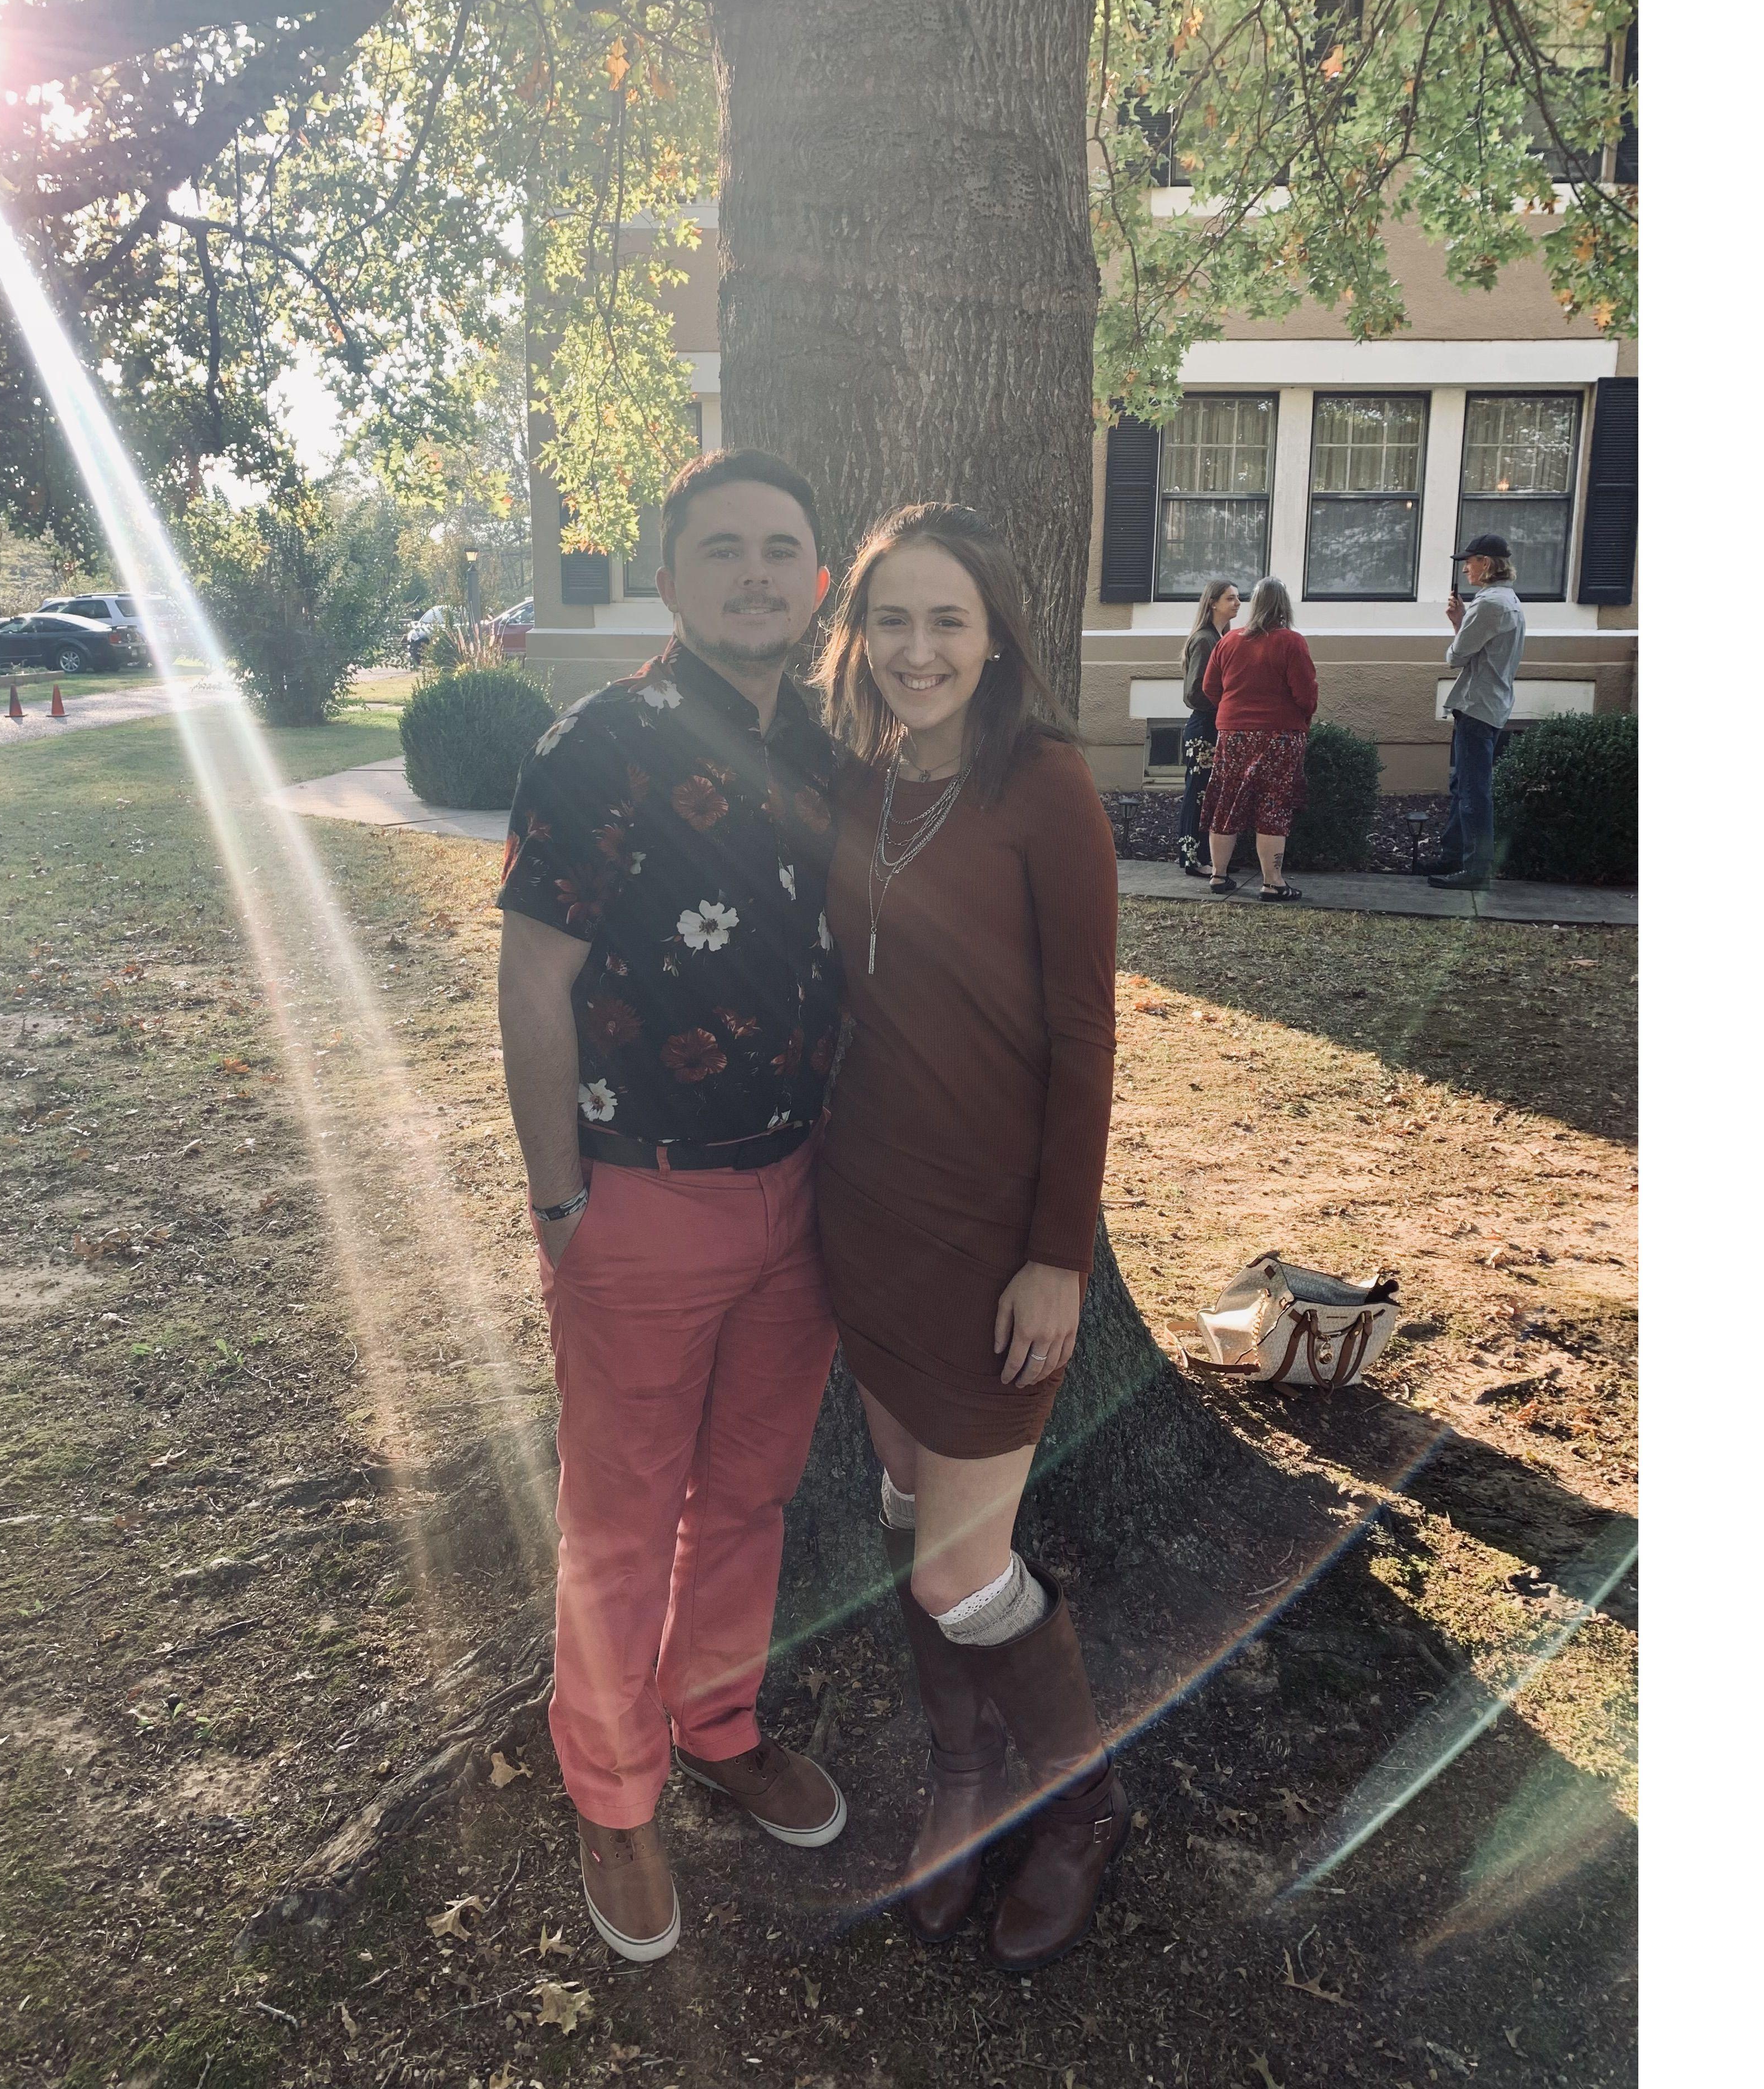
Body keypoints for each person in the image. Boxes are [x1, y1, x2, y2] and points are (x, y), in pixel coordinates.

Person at [494, 449, 850, 1967]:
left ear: (818, 581)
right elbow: (532, 981)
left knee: (752, 1494)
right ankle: (613, 1792)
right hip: (638, 1197)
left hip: (805, 1198)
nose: (756, 574)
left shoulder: (834, 750)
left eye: (781, 549)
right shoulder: (595, 747)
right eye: (723, 550)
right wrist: (558, 1203)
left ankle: (716, 1724)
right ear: (669, 580)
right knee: (622, 1519)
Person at [810, 502, 1126, 1973]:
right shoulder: (858, 780)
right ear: (859, 636)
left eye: (948, 620)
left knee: (957, 1570)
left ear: (995, 637)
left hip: (998, 1239)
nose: (918, 648)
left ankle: (1082, 1804)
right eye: (893, 620)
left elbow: (1085, 1035)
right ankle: (965, 1775)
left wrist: (1059, 1253)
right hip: (869, 1215)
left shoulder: (1044, 785)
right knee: (901, 1506)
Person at [1197, 575, 1318, 901]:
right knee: (1273, 804)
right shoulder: (1291, 642)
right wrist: (1300, 716)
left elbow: (1210, 688)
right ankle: (1272, 883)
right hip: (1279, 736)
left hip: (1233, 734)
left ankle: (1219, 876)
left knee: (1227, 800)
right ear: (1284, 605)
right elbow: (1306, 695)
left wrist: (1233, 712)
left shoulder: (1229, 641)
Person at [1428, 531, 1529, 890]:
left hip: (1478, 707)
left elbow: (1456, 657)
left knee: (1473, 791)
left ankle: (1475, 870)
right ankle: (1453, 858)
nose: (1465, 569)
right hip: (1489, 704)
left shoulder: (1489, 605)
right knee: (1465, 787)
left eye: (1469, 562)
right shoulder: (1507, 600)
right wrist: (1462, 621)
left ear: (1485, 563)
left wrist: (1459, 624)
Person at [1176, 578, 1240, 876]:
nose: (1237, 603)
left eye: (1238, 598)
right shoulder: (1205, 640)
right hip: (1204, 727)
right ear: (1213, 603)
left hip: (1214, 726)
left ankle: (1209, 857)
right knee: (1197, 791)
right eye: (1230, 598)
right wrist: (1225, 702)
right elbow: (1195, 693)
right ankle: (1191, 859)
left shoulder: (1220, 638)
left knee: (1210, 793)